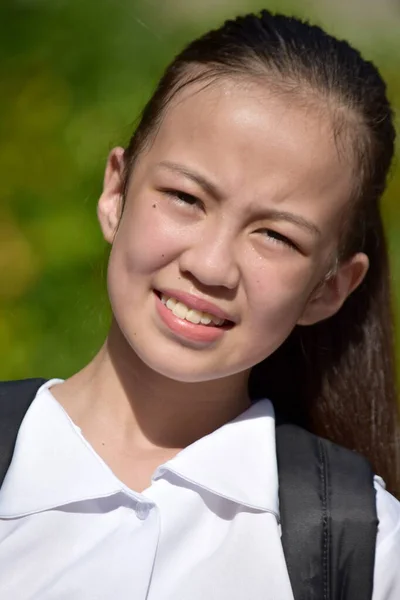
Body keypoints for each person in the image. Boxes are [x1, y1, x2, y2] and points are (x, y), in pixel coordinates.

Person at [0, 8, 399, 600]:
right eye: (186, 197)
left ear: (330, 287)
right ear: (116, 191)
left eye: (276, 236)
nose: (210, 266)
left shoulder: (370, 550)